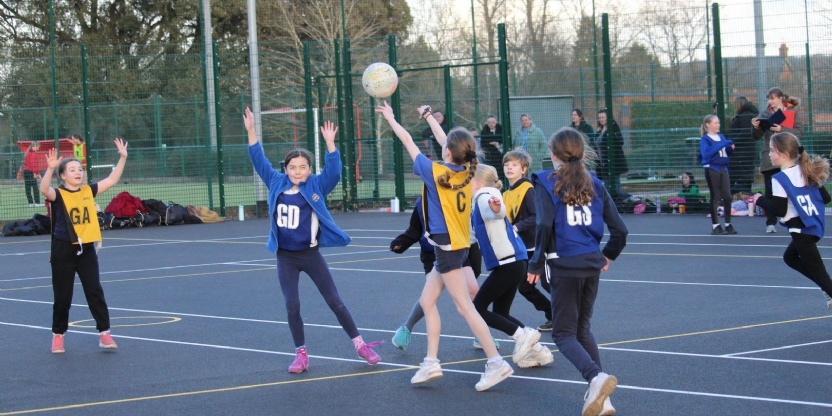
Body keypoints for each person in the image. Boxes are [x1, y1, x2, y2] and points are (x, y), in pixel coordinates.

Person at [377, 101, 513, 391]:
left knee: (465, 308)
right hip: (457, 246)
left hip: (448, 248)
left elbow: (407, 140)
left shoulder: (436, 172)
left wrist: (390, 118)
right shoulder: (468, 171)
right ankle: (430, 363)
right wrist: (427, 116)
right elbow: (445, 140)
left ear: (448, 152)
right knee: (427, 302)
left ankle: (496, 362)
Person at [243, 108, 382, 374]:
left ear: (309, 169)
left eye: (303, 167)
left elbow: (334, 172)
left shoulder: (316, 185)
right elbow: (258, 159)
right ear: (285, 169)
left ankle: (361, 345)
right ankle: (301, 354)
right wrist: (251, 131)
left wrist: (331, 145)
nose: (297, 171)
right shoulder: (275, 182)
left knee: (335, 301)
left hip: (310, 255)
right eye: (292, 167)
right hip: (286, 256)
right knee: (292, 304)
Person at [528, 127, 627, 416]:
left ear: (554, 154)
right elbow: (620, 229)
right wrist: (608, 254)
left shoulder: (546, 182)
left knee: (563, 334)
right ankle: (602, 398)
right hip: (590, 263)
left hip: (564, 264)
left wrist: (534, 264)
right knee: (582, 329)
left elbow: (545, 225)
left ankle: (595, 378)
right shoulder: (595, 183)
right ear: (581, 153)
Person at [39, 138, 129, 354]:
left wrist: (122, 157)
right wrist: (49, 170)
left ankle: (104, 333)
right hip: (63, 249)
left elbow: (112, 179)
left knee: (94, 290)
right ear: (63, 176)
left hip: (86, 249)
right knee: (63, 296)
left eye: (80, 169)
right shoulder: (58, 195)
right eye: (72, 170)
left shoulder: (88, 191)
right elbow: (45, 189)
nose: (78, 172)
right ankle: (58, 335)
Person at [470, 163, 553, 369]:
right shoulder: (483, 197)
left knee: (478, 309)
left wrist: (497, 210)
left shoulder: (484, 196)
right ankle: (537, 350)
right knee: (500, 312)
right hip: (515, 261)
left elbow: (494, 211)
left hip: (508, 262)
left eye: (467, 181)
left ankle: (523, 335)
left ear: (477, 183)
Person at [388, 198, 489, 351]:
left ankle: (481, 336)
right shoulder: (422, 202)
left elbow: (470, 229)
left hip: (458, 251)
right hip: (432, 254)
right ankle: (406, 329)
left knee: (473, 290)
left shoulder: (456, 196)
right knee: (429, 297)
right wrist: (401, 242)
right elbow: (415, 230)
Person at [751, 132, 832, 310]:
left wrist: (760, 200)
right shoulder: (805, 171)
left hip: (801, 231)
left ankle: (826, 288)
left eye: (772, 150)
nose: (769, 154)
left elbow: (779, 210)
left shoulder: (780, 179)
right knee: (790, 258)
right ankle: (825, 287)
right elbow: (825, 198)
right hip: (813, 228)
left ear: (783, 153)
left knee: (822, 276)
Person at [502, 148, 553, 331]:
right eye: (507, 165)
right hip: (522, 247)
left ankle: (569, 316)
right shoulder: (506, 194)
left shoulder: (528, 189)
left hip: (537, 245)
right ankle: (552, 315)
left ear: (523, 169)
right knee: (525, 287)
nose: (509, 168)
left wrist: (517, 226)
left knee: (547, 283)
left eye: (514, 165)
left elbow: (536, 216)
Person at [752, 87, 803, 233]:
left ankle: (794, 217)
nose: (770, 101)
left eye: (773, 98)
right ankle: (770, 222)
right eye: (769, 98)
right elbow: (756, 136)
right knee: (770, 190)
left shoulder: (792, 111)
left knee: (791, 188)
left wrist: (781, 129)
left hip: (788, 156)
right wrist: (756, 127)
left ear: (780, 98)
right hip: (771, 157)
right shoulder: (765, 113)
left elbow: (799, 132)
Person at [699, 114, 736, 235]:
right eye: (715, 123)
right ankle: (715, 225)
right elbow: (706, 154)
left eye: (719, 123)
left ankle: (728, 223)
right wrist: (723, 144)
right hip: (712, 169)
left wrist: (730, 148)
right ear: (708, 125)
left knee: (728, 196)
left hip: (723, 168)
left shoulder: (721, 137)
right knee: (715, 196)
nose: (718, 125)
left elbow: (725, 152)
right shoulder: (705, 139)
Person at [727, 96, 759, 194]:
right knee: (744, 180)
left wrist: (732, 141)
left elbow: (745, 132)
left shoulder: (744, 116)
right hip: (745, 154)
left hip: (741, 154)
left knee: (740, 182)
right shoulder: (749, 116)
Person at [594, 109, 628, 199]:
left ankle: (623, 202)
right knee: (606, 187)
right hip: (603, 163)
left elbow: (620, 141)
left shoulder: (613, 127)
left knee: (616, 187)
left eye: (603, 117)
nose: (601, 119)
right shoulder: (599, 130)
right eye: (600, 117)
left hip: (613, 163)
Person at [22, 141, 44, 207]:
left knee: (27, 188)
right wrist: (36, 173)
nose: (38, 149)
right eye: (38, 147)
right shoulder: (33, 153)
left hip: (25, 171)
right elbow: (33, 164)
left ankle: (31, 203)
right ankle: (37, 203)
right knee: (35, 188)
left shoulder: (27, 153)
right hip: (30, 172)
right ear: (35, 146)